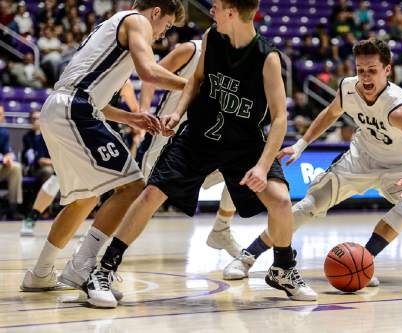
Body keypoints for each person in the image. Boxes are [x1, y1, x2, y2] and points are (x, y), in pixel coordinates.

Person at [85, 0, 317, 308]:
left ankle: (283, 268)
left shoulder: (267, 58)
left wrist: (262, 167)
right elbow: (196, 80)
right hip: (198, 135)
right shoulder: (211, 37)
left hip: (244, 144)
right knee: (151, 193)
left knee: (281, 201)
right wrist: (177, 112)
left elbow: (279, 119)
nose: (212, 11)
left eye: (218, 7)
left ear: (232, 12)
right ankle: (104, 269)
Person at [223, 39, 402, 289]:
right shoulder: (348, 88)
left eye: (372, 70)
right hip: (361, 159)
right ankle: (247, 256)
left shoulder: (399, 107)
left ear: (387, 70)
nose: (365, 77)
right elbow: (330, 114)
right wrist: (301, 144)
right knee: (309, 205)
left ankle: (362, 263)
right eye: (360, 70)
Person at [20, 0, 187, 299]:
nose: (163, 34)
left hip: (64, 108)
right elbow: (150, 72)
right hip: (74, 109)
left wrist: (130, 116)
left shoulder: (112, 26)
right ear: (156, 12)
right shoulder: (137, 20)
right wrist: (194, 86)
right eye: (167, 26)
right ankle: (81, 267)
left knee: (86, 198)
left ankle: (41, 273)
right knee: (134, 187)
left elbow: (92, 94)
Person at [137, 40, 242, 258]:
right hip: (165, 133)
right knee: (137, 195)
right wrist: (144, 110)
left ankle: (222, 228)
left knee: (241, 170)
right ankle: (96, 245)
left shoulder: (237, 60)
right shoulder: (192, 49)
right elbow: (150, 76)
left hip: (199, 138)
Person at [19, 79, 141, 237]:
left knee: (118, 182)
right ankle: (32, 217)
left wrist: (137, 126)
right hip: (83, 129)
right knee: (58, 178)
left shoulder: (124, 82)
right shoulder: (92, 74)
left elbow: (135, 109)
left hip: (107, 134)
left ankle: (102, 228)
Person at [0, 104, 23, 220]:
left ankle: (13, 207)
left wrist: (8, 158)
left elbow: (7, 151)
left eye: (1, 114)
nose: (1, 117)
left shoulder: (3, 132)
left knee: (16, 167)